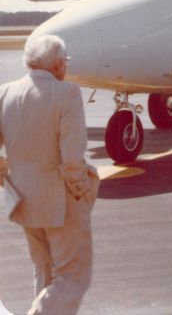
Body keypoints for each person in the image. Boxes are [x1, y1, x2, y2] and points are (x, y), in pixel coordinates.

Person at [0, 34, 99, 315]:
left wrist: (6, 175)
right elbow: (71, 159)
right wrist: (81, 190)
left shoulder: (5, 92)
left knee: (44, 271)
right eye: (64, 62)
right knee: (73, 278)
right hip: (61, 202)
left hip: (22, 200)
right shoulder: (66, 94)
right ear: (57, 66)